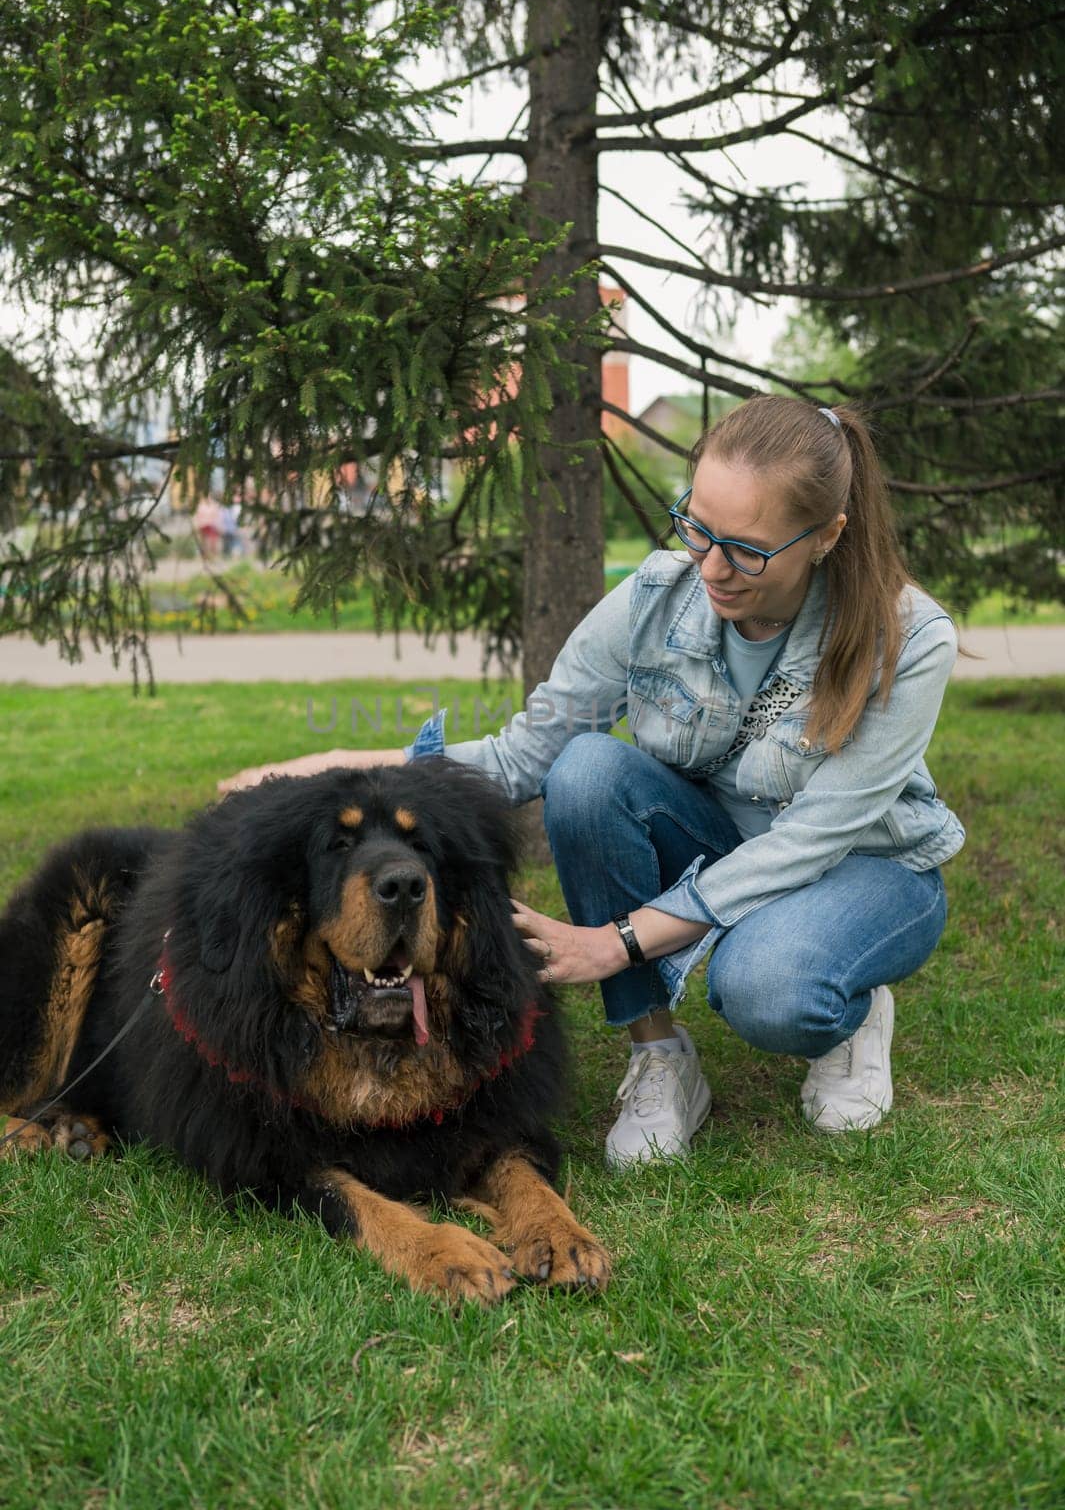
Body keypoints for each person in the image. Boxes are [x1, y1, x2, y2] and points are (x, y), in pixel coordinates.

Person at [219, 396, 964, 1169]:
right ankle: (659, 1056)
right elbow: (523, 756)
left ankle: (845, 1008)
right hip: (722, 848)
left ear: (826, 537)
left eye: (745, 549)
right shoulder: (652, 601)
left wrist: (616, 942)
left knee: (769, 990)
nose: (710, 567)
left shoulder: (906, 638)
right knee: (585, 772)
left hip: (864, 870)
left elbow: (813, 838)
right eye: (696, 527)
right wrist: (342, 772)